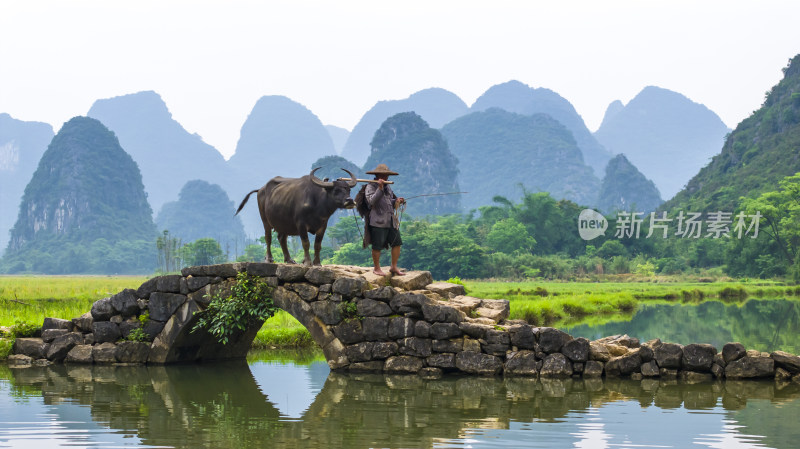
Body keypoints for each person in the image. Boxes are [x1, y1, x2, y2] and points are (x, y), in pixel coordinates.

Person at [364, 163, 405, 276]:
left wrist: (397, 201)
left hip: (390, 220)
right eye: (383, 175)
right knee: (377, 246)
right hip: (378, 221)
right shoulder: (370, 186)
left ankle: (393, 266)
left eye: (387, 175)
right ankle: (377, 268)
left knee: (397, 243)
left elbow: (388, 202)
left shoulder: (388, 187)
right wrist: (380, 188)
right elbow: (371, 201)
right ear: (377, 175)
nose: (386, 177)